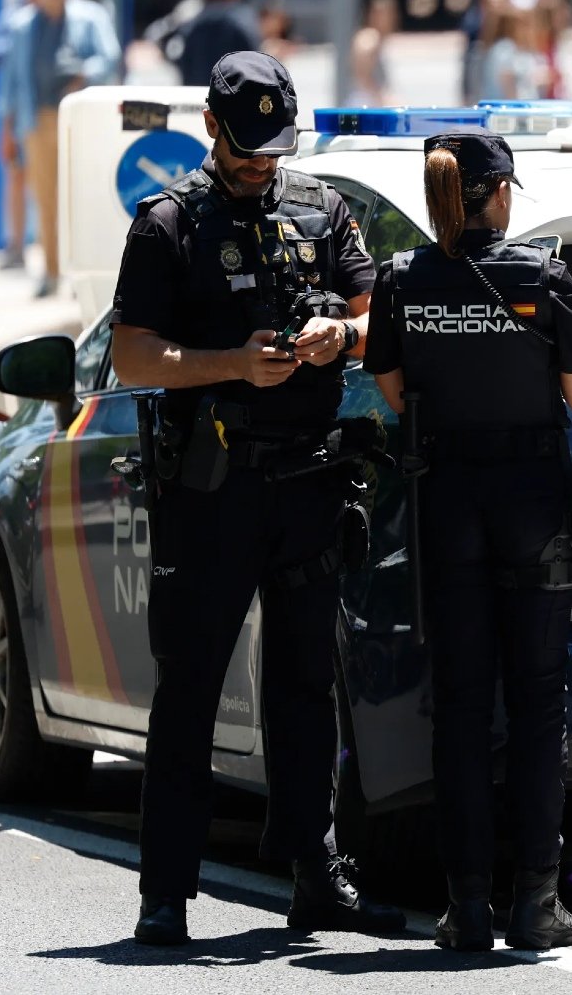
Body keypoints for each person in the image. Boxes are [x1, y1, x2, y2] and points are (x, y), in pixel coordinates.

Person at [109, 51, 404, 947]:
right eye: (247, 147)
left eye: (275, 147)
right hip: (212, 488)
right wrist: (232, 364)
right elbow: (132, 356)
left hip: (309, 479)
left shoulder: (323, 207)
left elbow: (373, 318)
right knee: (190, 688)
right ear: (211, 127)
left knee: (306, 687)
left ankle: (317, 878)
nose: (262, 163)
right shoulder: (168, 224)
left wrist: (334, 336)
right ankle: (166, 892)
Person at [363, 129, 572, 953]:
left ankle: (466, 908)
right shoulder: (545, 278)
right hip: (532, 502)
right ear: (499, 194)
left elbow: (391, 387)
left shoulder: (401, 280)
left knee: (461, 709)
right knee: (537, 705)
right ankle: (537, 901)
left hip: (446, 503)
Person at [0, 0, 119, 297]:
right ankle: (51, 272)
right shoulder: (21, 24)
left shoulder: (90, 16)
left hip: (80, 118)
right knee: (45, 197)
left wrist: (82, 74)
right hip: (37, 119)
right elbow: (11, 83)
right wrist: (7, 129)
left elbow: (110, 57)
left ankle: (83, 276)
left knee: (82, 196)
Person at [0, 0, 34, 273]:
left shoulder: (79, 14)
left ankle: (60, 255)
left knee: (59, 183)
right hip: (21, 111)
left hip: (59, 110)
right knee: (17, 176)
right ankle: (16, 246)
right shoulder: (13, 16)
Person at [169, 0, 264, 87]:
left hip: (197, 97)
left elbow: (177, 56)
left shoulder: (192, 24)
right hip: (234, 96)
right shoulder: (243, 20)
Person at [351, 0, 400, 106]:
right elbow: (362, 76)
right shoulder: (369, 38)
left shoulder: (380, 39)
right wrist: (382, 99)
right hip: (366, 104)